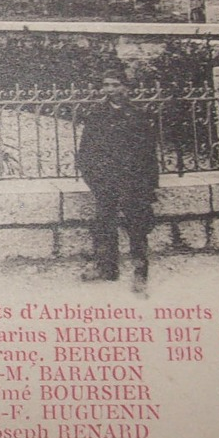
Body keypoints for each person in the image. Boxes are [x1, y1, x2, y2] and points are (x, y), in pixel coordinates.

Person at [75, 69, 160, 295]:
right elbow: (85, 152)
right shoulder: (97, 115)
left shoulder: (139, 115)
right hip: (106, 181)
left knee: (138, 227)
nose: (110, 90)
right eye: (106, 85)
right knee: (105, 225)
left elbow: (149, 154)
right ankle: (107, 268)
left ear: (126, 87)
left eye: (115, 85)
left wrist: (149, 186)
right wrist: (94, 179)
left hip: (134, 182)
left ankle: (141, 274)